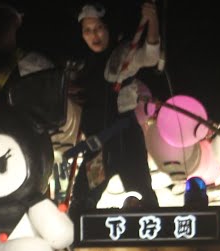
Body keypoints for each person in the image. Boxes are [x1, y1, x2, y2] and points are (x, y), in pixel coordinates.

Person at [67, 2, 162, 217]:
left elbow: (151, 55)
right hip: (98, 145)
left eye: (99, 28)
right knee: (81, 202)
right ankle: (75, 245)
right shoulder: (80, 66)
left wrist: (152, 19)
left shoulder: (123, 56)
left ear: (108, 28)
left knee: (143, 195)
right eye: (88, 31)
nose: (94, 35)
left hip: (125, 140)